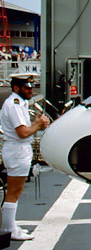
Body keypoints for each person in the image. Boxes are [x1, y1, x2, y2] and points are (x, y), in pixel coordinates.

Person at [0, 75, 50, 240]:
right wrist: (38, 125)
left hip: (19, 150)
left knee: (16, 191)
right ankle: (9, 229)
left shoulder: (19, 103)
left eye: (31, 87)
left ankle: (11, 226)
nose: (31, 90)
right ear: (16, 88)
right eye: (27, 87)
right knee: (14, 191)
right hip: (17, 150)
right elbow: (22, 133)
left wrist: (35, 123)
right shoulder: (14, 105)